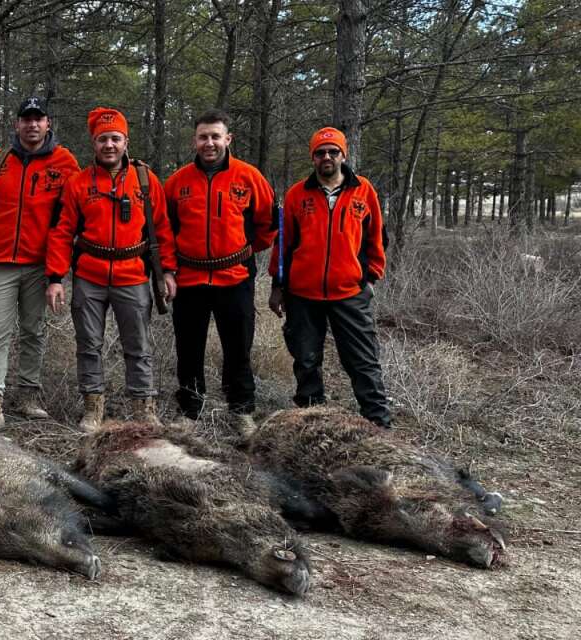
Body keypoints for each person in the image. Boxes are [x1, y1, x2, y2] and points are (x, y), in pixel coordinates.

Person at [46, 107, 177, 431]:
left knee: (139, 345)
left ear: (125, 141)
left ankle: (143, 407)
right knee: (89, 344)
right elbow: (62, 232)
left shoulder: (145, 180)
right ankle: (93, 407)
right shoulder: (78, 184)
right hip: (89, 276)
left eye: (115, 138)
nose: (109, 145)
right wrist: (55, 278)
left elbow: (161, 229)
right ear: (94, 142)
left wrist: (168, 272)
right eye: (103, 139)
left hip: (132, 275)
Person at [0, 97, 80, 428]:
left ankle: (28, 395)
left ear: (48, 123)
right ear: (17, 124)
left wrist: (57, 272)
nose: (32, 124)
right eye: (26, 119)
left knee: (33, 331)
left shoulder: (65, 163)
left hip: (39, 265)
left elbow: (67, 222)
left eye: (38, 119)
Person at [268, 127, 390, 427]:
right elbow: (284, 243)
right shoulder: (298, 194)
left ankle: (379, 424)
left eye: (332, 152)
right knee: (306, 360)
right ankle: (312, 421)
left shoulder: (363, 191)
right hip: (303, 294)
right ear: (313, 157)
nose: (326, 157)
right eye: (320, 152)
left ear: (343, 155)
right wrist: (278, 285)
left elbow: (377, 238)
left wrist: (370, 278)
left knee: (363, 362)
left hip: (349, 292)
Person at [162, 109, 276, 421]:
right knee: (189, 350)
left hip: (235, 277)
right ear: (194, 141)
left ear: (228, 138)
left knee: (238, 349)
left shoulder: (249, 177)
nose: (209, 142)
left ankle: (241, 412)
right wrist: (168, 270)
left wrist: (245, 250)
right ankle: (189, 411)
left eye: (215, 136)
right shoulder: (176, 183)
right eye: (203, 137)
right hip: (190, 279)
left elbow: (268, 223)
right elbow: (165, 231)